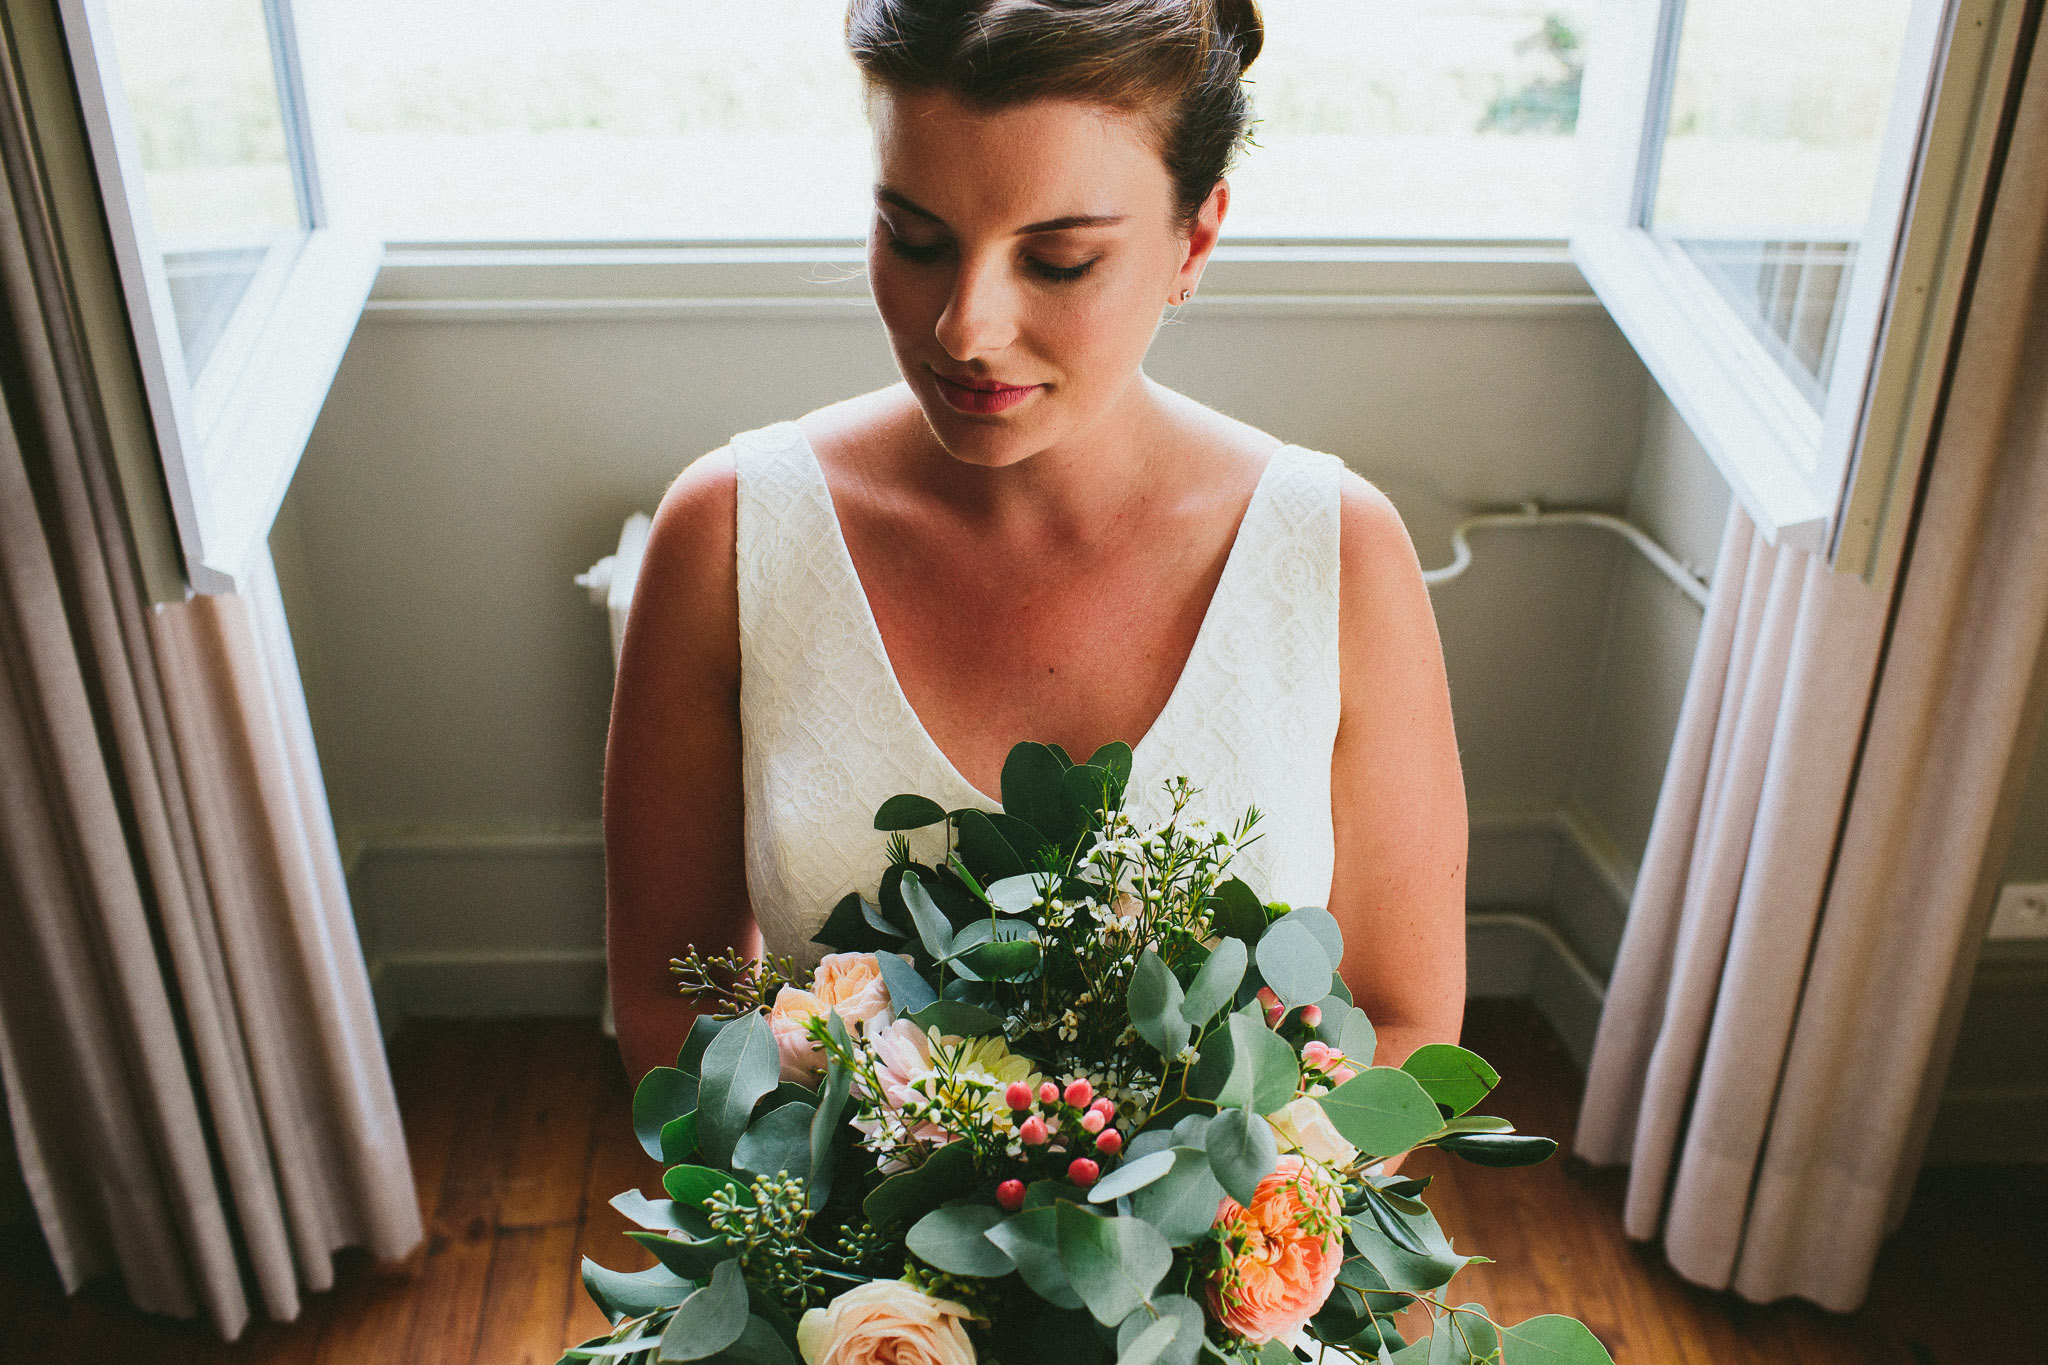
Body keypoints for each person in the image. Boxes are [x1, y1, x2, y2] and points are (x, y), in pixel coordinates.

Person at [604, 0, 1466, 1086]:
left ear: (1192, 240)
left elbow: (1399, 1026)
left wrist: (1203, 1241)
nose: (964, 327)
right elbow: (665, 1008)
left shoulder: (1335, 555)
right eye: (914, 240)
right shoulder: (726, 536)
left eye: (1057, 261)